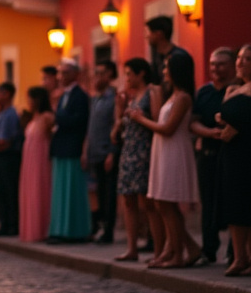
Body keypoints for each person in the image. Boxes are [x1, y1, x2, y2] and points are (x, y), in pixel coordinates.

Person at [134, 52, 201, 268]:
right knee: (162, 202)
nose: (163, 71)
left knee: (167, 203)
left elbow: (168, 128)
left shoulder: (183, 97)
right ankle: (183, 248)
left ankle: (177, 254)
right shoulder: (172, 95)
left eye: (167, 67)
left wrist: (139, 119)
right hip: (163, 150)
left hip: (174, 150)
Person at [215, 45, 251, 277]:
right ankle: (239, 257)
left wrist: (237, 126)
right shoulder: (232, 88)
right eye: (239, 58)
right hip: (230, 152)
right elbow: (224, 115)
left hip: (249, 151)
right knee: (233, 205)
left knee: (248, 205)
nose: (241, 62)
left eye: (247, 59)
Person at [189, 47, 234, 264]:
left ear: (232, 65)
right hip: (206, 153)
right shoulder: (203, 92)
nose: (216, 68)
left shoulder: (237, 89)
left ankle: (235, 252)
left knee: (231, 200)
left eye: (221, 64)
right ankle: (209, 250)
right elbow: (193, 121)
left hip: (231, 152)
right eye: (213, 64)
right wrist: (209, 133)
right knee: (207, 204)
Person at [114, 58, 160, 262]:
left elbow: (159, 121)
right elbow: (117, 131)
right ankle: (131, 248)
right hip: (128, 150)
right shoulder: (131, 98)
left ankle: (159, 248)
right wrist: (120, 112)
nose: (127, 78)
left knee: (148, 203)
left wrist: (140, 118)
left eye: (129, 74)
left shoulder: (152, 92)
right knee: (128, 201)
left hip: (144, 150)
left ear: (141, 73)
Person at [49, 60, 90, 243]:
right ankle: (60, 229)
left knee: (72, 192)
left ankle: (74, 231)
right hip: (61, 148)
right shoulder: (63, 96)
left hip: (72, 148)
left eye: (65, 73)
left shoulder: (80, 96)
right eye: (59, 73)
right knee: (60, 192)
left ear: (75, 74)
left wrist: (58, 116)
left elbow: (79, 121)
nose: (61, 77)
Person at [83, 61, 119, 243]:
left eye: (100, 74)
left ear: (109, 75)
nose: (96, 78)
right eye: (94, 73)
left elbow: (115, 126)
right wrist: (85, 151)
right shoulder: (94, 99)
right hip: (94, 152)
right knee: (95, 191)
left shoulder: (114, 98)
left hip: (106, 152)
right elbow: (90, 128)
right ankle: (96, 225)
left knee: (108, 193)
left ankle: (108, 230)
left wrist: (112, 153)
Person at [0, 83, 23, 238]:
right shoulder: (0, 114)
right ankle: (4, 223)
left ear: (7, 94)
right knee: (1, 192)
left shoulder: (10, 114)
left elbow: (5, 141)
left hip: (7, 158)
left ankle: (11, 224)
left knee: (9, 191)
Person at [18, 86, 54, 242]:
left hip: (41, 158)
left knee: (40, 189)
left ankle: (43, 228)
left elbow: (51, 137)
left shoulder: (47, 117)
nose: (28, 102)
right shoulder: (32, 118)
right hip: (29, 159)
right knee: (30, 190)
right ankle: (32, 228)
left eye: (30, 99)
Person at [146, 15, 190, 86]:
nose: (147, 36)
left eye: (150, 32)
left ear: (159, 34)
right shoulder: (157, 59)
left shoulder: (179, 57)